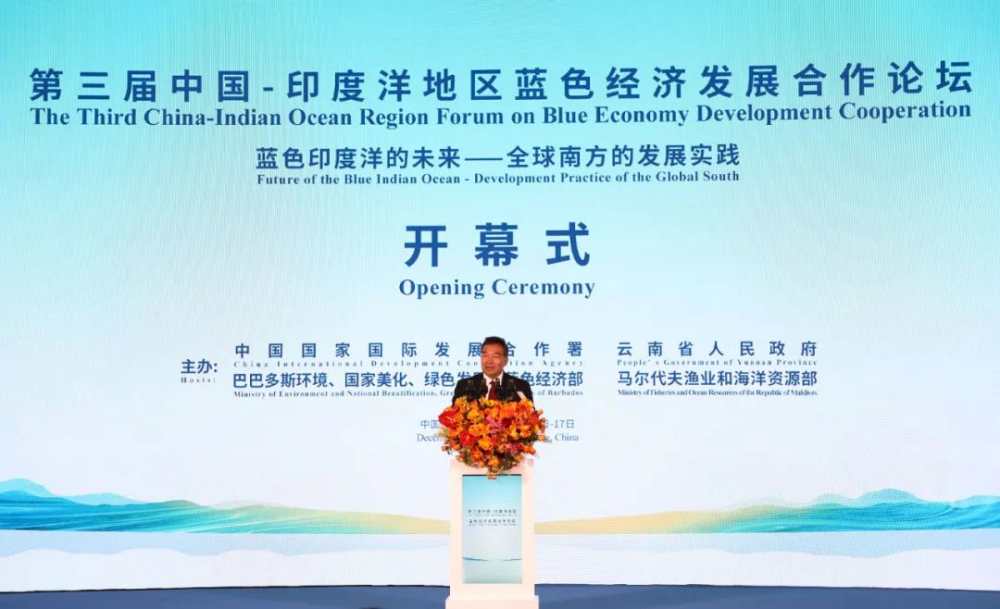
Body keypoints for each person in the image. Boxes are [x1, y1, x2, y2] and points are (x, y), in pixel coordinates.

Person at [452, 336, 534, 403]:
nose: (489, 361)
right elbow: (454, 415)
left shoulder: (520, 386)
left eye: (495, 356)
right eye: (485, 355)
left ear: (505, 361)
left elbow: (530, 415)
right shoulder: (464, 386)